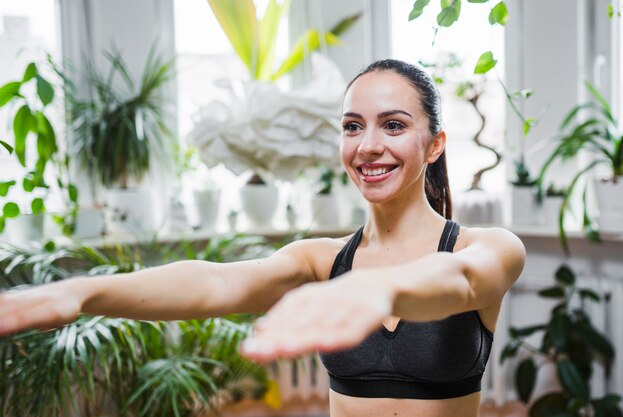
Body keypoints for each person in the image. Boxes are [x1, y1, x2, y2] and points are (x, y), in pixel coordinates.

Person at [0, 59, 525, 417]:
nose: (367, 146)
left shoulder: (487, 248)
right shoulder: (322, 259)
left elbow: (458, 281)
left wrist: (382, 290)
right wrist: (83, 293)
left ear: (434, 145)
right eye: (351, 126)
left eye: (392, 125)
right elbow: (217, 283)